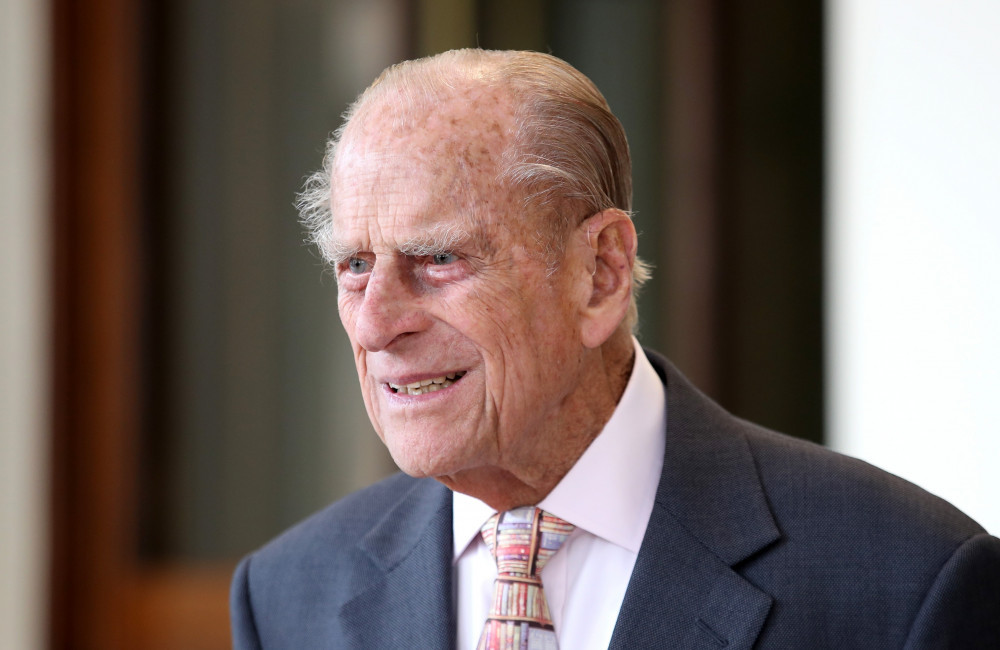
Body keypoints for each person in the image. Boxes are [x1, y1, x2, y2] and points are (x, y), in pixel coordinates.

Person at [230, 49, 1000, 649]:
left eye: (439, 258)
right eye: (355, 265)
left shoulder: (909, 584)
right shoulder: (287, 597)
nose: (375, 325)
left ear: (600, 272)